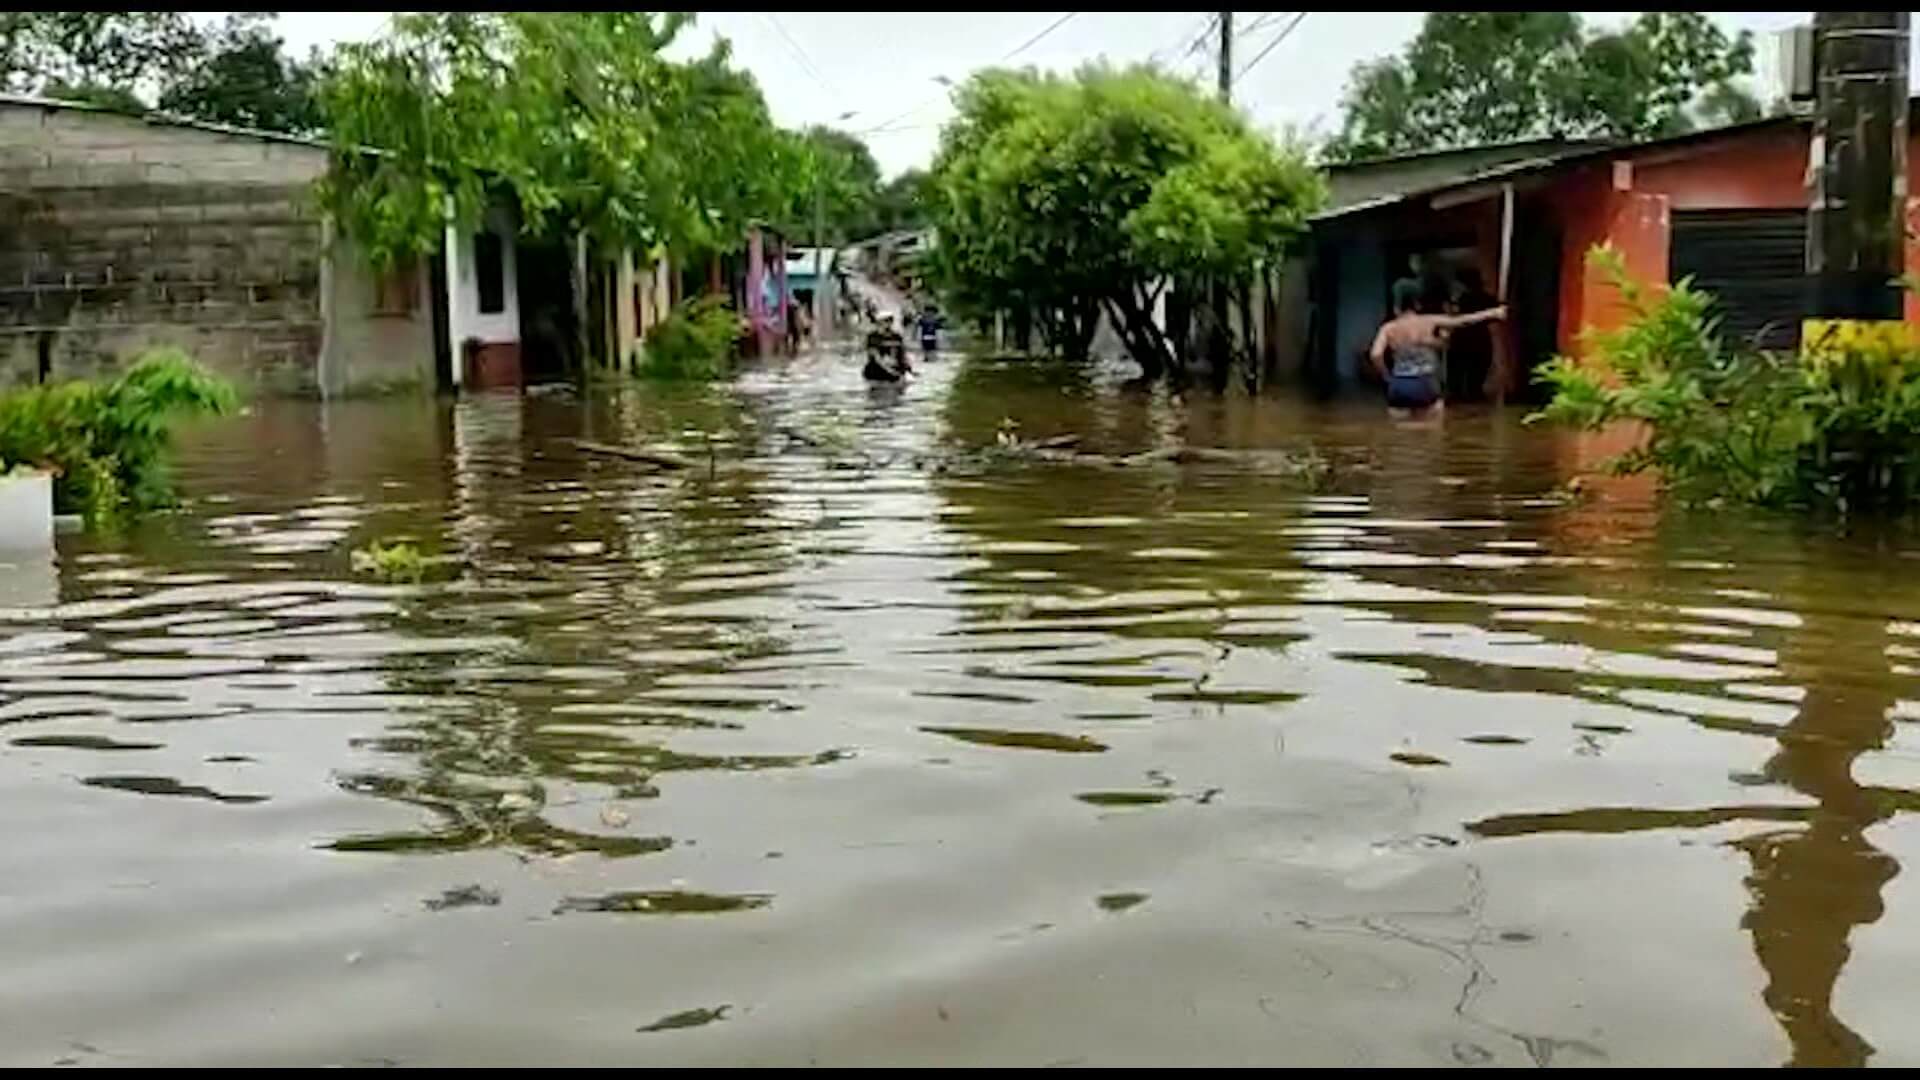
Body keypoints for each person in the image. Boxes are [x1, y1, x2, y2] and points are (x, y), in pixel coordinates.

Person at [1369, 280, 1504, 413]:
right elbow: (1463, 320)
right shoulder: (1429, 321)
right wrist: (1493, 312)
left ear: (1396, 306)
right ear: (1417, 304)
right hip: (1425, 383)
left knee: (1399, 430)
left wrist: (1388, 377)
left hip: (1399, 384)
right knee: (1432, 430)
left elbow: (1375, 355)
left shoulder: (1388, 328)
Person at [1448, 268, 1499, 402]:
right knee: (1475, 377)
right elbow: (1498, 315)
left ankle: (1461, 398)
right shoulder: (1484, 298)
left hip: (1465, 339)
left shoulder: (1462, 299)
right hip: (1477, 339)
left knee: (1461, 376)